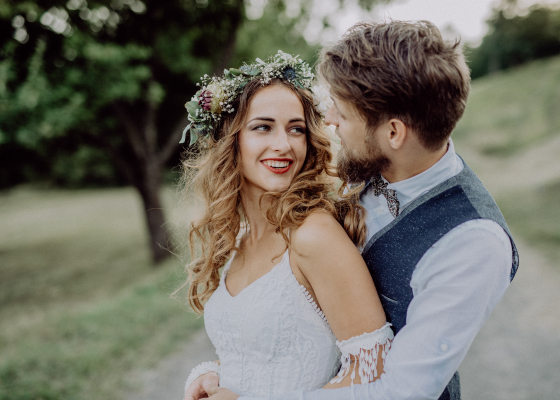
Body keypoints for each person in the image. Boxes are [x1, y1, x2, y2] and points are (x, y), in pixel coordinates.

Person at [202, 21, 519, 400]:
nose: (329, 120)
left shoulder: (473, 242)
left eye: (344, 114)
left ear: (394, 133)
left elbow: (401, 392)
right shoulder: (364, 171)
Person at [179, 51, 395, 400]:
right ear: (230, 140)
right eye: (262, 127)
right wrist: (213, 373)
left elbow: (374, 370)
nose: (283, 145)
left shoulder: (313, 236)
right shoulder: (241, 239)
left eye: (296, 129)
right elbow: (262, 354)